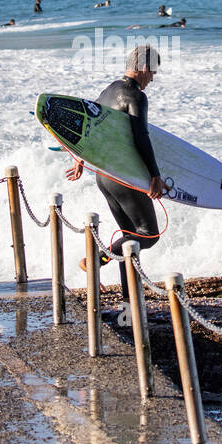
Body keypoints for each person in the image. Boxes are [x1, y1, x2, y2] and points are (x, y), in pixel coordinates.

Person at [66, 45, 165, 290]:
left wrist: (79, 158)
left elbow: (89, 126)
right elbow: (141, 135)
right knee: (149, 234)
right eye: (152, 72)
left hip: (103, 175)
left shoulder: (109, 90)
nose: (152, 78)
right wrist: (155, 175)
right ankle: (95, 261)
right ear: (143, 68)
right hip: (122, 176)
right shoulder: (135, 96)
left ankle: (130, 293)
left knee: (129, 234)